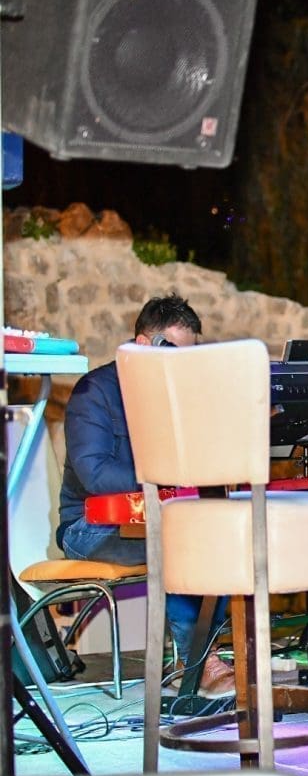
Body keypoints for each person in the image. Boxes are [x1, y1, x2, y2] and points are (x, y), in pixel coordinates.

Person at [57, 294, 236, 698]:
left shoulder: (175, 396)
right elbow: (95, 474)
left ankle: (200, 657)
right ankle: (198, 664)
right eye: (175, 354)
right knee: (178, 542)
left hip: (154, 520)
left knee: (219, 534)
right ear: (143, 344)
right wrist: (168, 476)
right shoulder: (94, 392)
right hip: (87, 528)